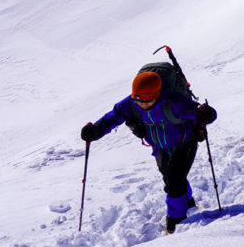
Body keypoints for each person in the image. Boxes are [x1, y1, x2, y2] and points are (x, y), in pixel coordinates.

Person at [79, 70, 217, 233]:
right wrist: (96, 130)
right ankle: (187, 204)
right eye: (138, 100)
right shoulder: (130, 104)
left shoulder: (175, 101)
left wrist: (206, 114)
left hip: (185, 143)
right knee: (171, 177)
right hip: (159, 147)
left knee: (174, 181)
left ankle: (177, 221)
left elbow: (202, 113)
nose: (143, 104)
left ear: (158, 94)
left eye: (148, 101)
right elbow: (113, 117)